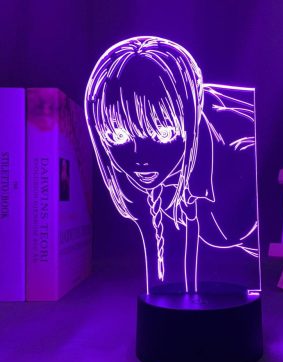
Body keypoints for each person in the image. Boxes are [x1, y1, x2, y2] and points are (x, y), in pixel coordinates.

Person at [85, 36, 259, 294]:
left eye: (162, 134)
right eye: (118, 136)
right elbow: (159, 270)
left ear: (189, 123)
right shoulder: (124, 174)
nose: (140, 157)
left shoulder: (240, 155)